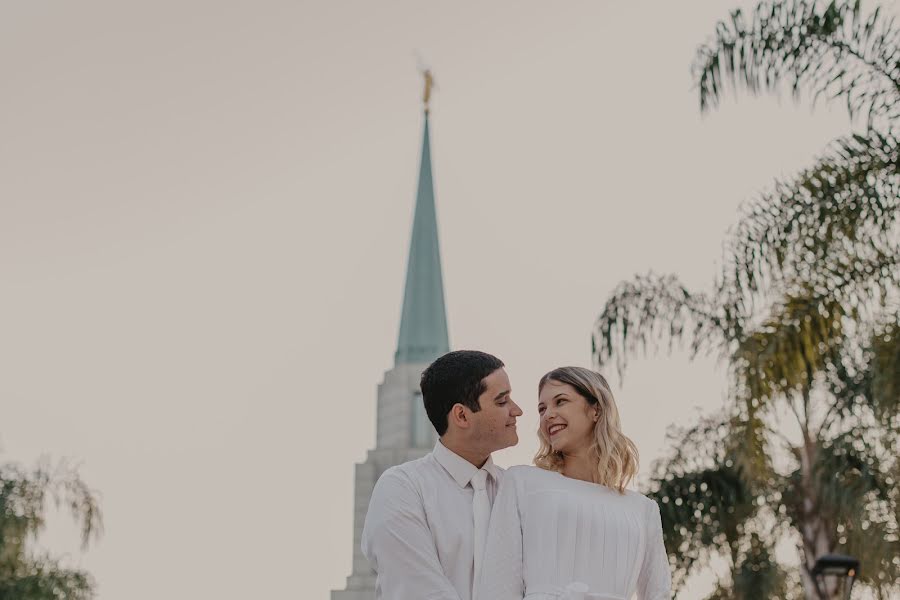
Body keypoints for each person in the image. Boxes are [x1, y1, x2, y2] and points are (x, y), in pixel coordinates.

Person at [475, 367, 672, 600]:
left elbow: (658, 594)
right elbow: (498, 584)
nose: (548, 414)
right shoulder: (522, 482)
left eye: (561, 401)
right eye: (542, 409)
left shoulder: (642, 510)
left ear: (595, 409)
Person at [361, 350, 524, 600]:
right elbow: (418, 591)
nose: (517, 411)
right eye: (502, 401)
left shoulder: (518, 490)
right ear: (461, 415)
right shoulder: (403, 489)